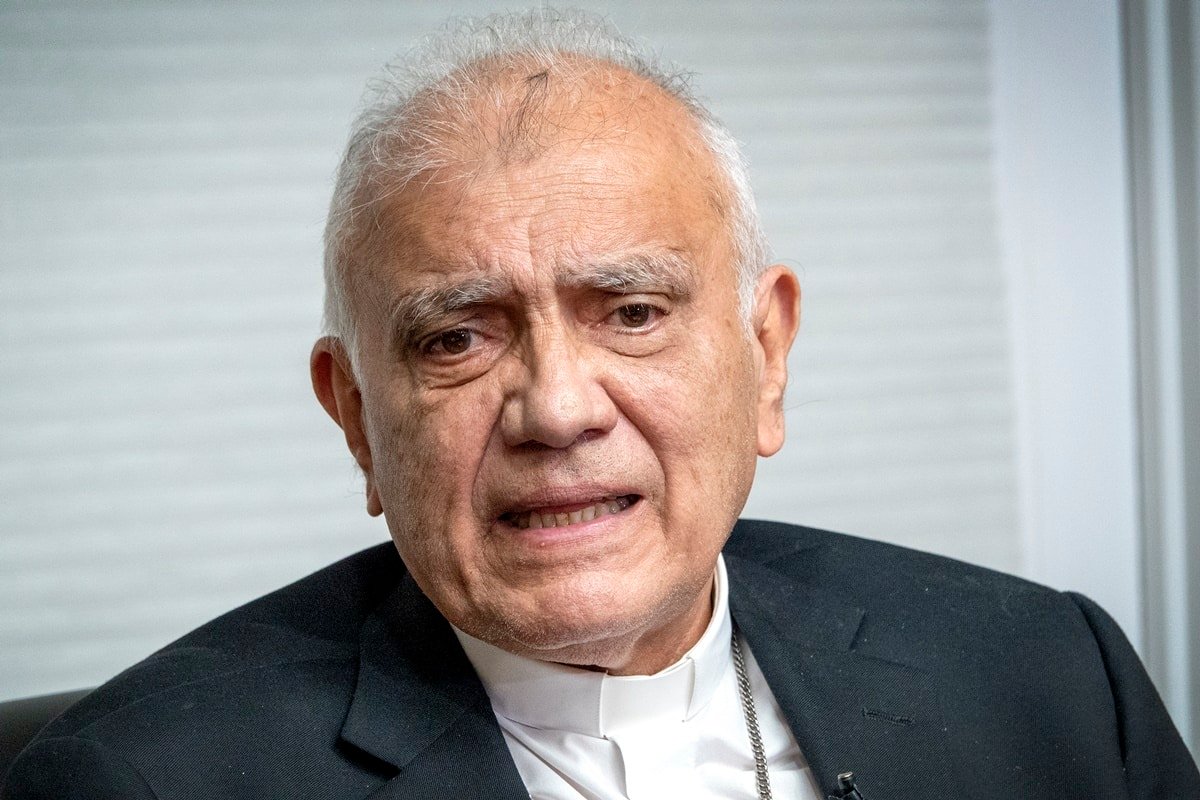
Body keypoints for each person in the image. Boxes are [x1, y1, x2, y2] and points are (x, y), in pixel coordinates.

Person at [3, 8, 1197, 800]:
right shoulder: (141, 780)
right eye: (457, 335)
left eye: (631, 311)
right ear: (357, 416)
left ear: (765, 354)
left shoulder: (1054, 679)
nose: (558, 409)